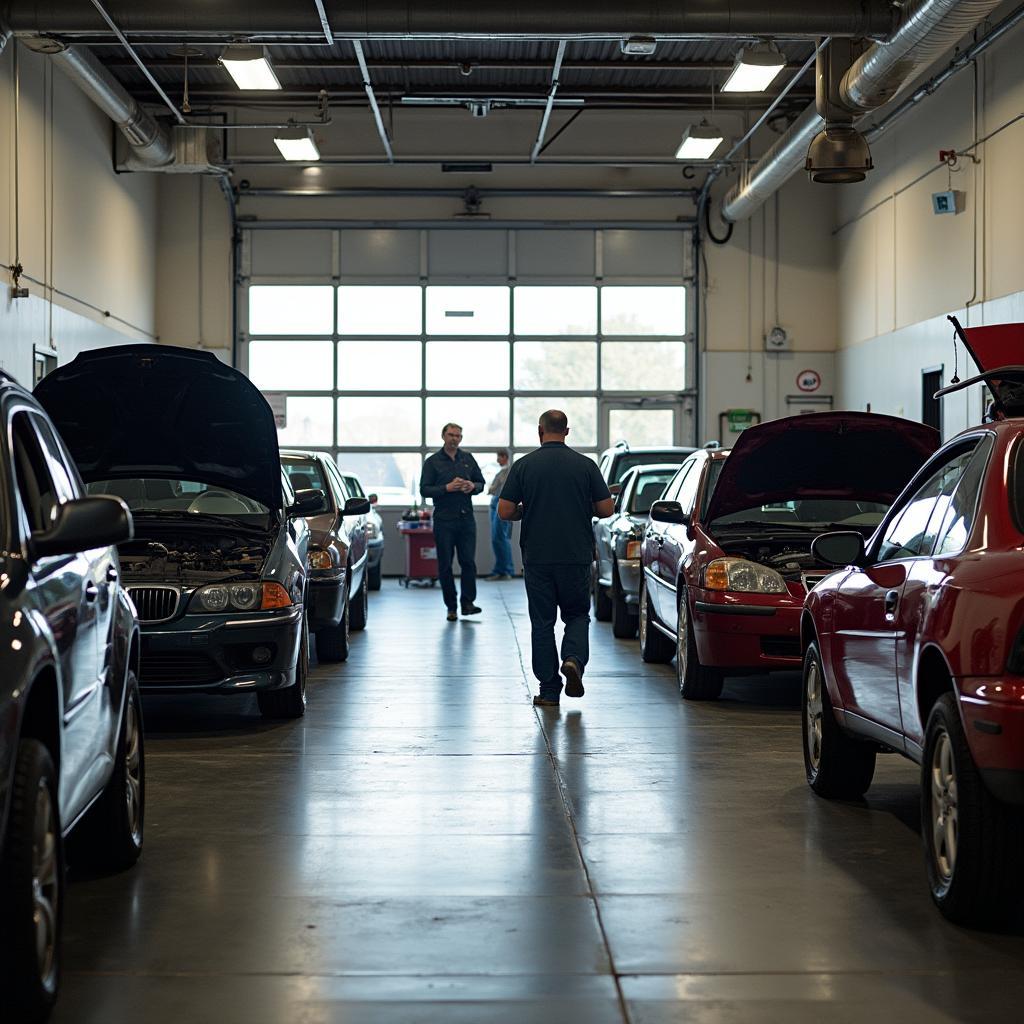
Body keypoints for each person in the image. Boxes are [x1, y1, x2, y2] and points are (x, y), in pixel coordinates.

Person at [498, 409, 613, 706]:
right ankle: (573, 659)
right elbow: (606, 509)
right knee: (576, 614)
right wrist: (582, 505)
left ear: (540, 431)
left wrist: (529, 509)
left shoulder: (524, 466)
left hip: (537, 557)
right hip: (575, 555)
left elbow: (505, 511)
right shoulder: (585, 466)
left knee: (542, 622)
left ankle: (549, 690)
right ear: (567, 431)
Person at [419, 422, 485, 621]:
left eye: (458, 436)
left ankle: (467, 603)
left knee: (468, 563)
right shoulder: (432, 462)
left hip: (466, 518)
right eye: (451, 435)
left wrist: (472, 485)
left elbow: (481, 483)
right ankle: (451, 607)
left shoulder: (468, 459)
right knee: (445, 565)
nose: (454, 438)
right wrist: (446, 488)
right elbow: (424, 490)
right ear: (443, 436)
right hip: (444, 520)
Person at [484, 448, 515, 580]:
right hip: (494, 503)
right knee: (497, 538)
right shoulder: (501, 472)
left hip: (501, 503)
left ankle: (506, 570)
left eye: (499, 457)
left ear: (505, 457)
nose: (497, 460)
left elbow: (495, 489)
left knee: (501, 538)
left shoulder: (509, 472)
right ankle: (500, 569)